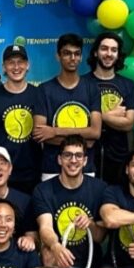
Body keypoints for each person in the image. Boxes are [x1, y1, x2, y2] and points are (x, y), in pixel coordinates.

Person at [33, 135, 106, 268]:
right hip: (58, 265)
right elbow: (45, 228)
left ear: (85, 160)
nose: (73, 160)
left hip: (86, 267)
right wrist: (57, 247)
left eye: (78, 156)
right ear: (59, 159)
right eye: (67, 155)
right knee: (48, 252)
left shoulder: (100, 189)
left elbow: (100, 237)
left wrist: (90, 224)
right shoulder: (43, 190)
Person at [0, 43, 43, 195]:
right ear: (4, 67)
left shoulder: (39, 95)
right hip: (0, 174)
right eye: (11, 63)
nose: (16, 67)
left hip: (33, 174)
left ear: (28, 65)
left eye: (20, 62)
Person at [34, 33, 101, 179]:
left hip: (85, 167)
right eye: (67, 53)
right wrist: (83, 141)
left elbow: (95, 132)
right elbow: (41, 135)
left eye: (77, 54)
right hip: (52, 167)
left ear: (81, 57)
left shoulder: (92, 88)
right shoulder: (44, 89)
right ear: (58, 56)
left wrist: (55, 131)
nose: (72, 58)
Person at [84, 32, 134, 184]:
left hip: (118, 153)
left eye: (114, 50)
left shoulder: (128, 85)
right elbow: (82, 120)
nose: (109, 54)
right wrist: (111, 115)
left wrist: (95, 116)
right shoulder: (82, 83)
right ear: (95, 52)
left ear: (118, 54)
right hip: (88, 152)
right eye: (104, 49)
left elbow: (128, 123)